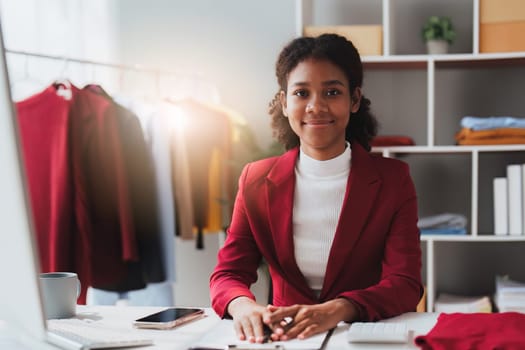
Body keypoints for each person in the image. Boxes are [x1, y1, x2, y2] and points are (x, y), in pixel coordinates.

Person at [209, 33, 423, 343]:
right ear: (284, 103)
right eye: (301, 93)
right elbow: (228, 273)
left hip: (361, 335)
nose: (315, 107)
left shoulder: (393, 179)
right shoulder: (255, 179)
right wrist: (243, 307)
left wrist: (339, 309)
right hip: (285, 338)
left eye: (332, 92)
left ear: (354, 100)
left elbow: (405, 283)